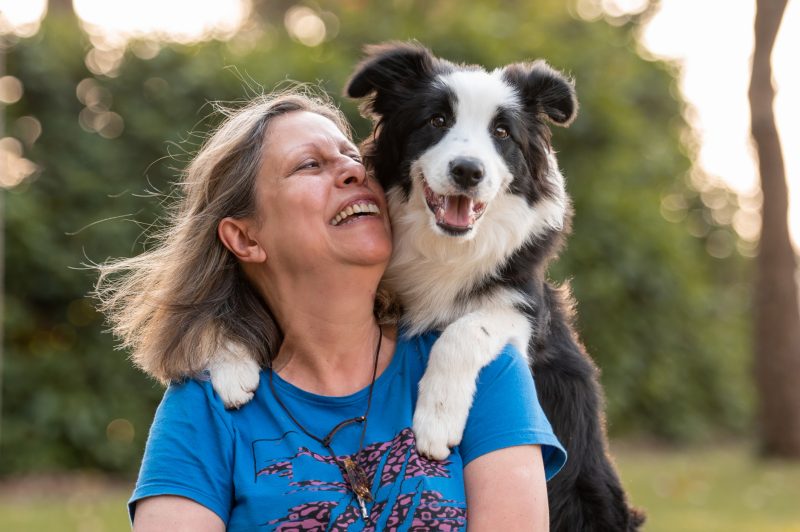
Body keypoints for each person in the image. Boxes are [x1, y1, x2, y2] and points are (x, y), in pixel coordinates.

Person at [95, 89, 566, 531]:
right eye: (309, 165)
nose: (354, 172)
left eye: (352, 157)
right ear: (245, 237)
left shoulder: (481, 361)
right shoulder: (204, 405)